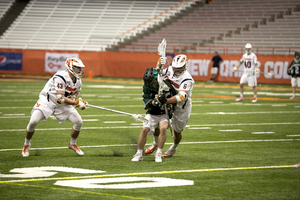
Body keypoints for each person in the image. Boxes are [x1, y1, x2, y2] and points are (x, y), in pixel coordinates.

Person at [22, 58, 88, 157]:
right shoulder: (60, 77)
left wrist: (78, 102)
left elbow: (72, 96)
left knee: (78, 122)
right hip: (48, 101)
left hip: (61, 105)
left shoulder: (78, 82)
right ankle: (26, 144)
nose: (79, 70)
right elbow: (61, 98)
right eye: (77, 67)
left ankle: (72, 144)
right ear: (70, 67)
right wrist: (76, 103)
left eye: (80, 68)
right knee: (33, 121)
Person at [145, 54, 194, 158]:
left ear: (185, 66)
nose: (176, 71)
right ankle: (155, 143)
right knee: (158, 122)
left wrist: (165, 101)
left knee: (177, 131)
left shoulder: (187, 79)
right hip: (166, 99)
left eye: (179, 69)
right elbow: (157, 74)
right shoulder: (170, 70)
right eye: (175, 68)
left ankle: (174, 148)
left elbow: (180, 97)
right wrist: (159, 63)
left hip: (181, 106)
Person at [131, 67, 177, 162]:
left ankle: (158, 154)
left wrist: (169, 104)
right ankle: (139, 154)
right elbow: (146, 102)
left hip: (164, 113)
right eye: (147, 82)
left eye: (151, 82)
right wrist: (155, 102)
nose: (149, 84)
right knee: (144, 130)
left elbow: (175, 99)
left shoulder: (166, 85)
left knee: (163, 129)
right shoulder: (146, 86)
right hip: (152, 113)